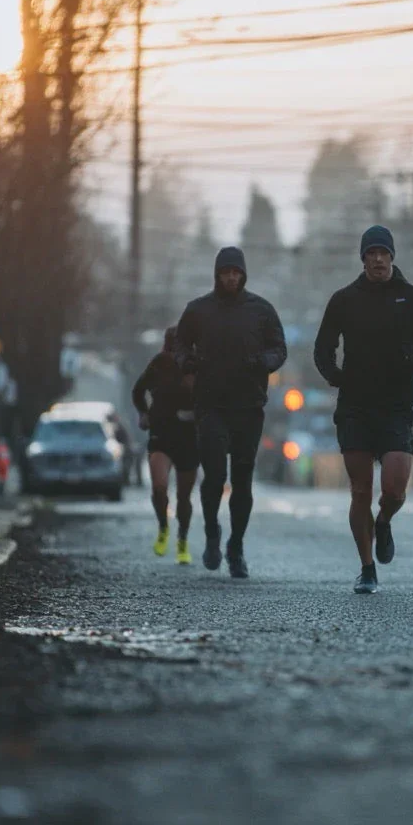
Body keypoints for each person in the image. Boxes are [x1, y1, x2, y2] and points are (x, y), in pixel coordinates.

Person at [314, 225, 413, 595]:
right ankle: (367, 568)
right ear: (363, 258)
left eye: (383, 253)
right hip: (354, 406)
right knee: (359, 491)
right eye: (371, 254)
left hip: (396, 406)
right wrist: (335, 376)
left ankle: (384, 521)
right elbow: (323, 346)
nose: (378, 259)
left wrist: (411, 362)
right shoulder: (344, 299)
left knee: (395, 490)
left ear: (392, 256)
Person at [174, 246, 287, 577]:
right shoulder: (198, 311)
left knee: (242, 478)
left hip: (249, 406)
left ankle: (235, 546)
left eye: (236, 273)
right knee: (214, 476)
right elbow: (180, 343)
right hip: (210, 404)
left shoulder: (261, 311)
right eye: (225, 273)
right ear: (217, 275)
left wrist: (264, 362)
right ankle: (212, 532)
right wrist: (186, 361)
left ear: (243, 274)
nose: (231, 278)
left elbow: (279, 348)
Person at [132, 327, 199, 565]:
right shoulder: (159, 363)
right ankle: (163, 527)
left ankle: (182, 540)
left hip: (189, 437)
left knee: (183, 496)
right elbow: (138, 391)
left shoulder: (198, 366)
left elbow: (212, 398)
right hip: (161, 434)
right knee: (159, 488)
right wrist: (143, 414)